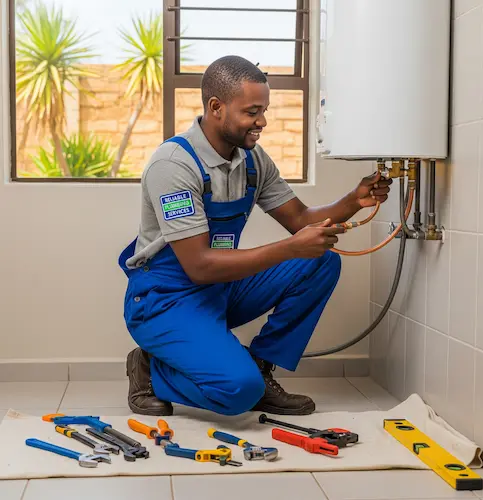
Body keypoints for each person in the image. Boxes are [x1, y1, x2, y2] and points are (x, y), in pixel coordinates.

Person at [119, 55, 392, 417]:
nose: (261, 122)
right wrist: (289, 248)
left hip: (219, 288)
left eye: (263, 110)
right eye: (252, 112)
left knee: (320, 262)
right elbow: (199, 265)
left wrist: (353, 201)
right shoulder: (174, 165)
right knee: (236, 392)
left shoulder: (252, 160)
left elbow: (300, 220)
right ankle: (150, 370)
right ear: (216, 107)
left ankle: (262, 371)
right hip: (166, 299)